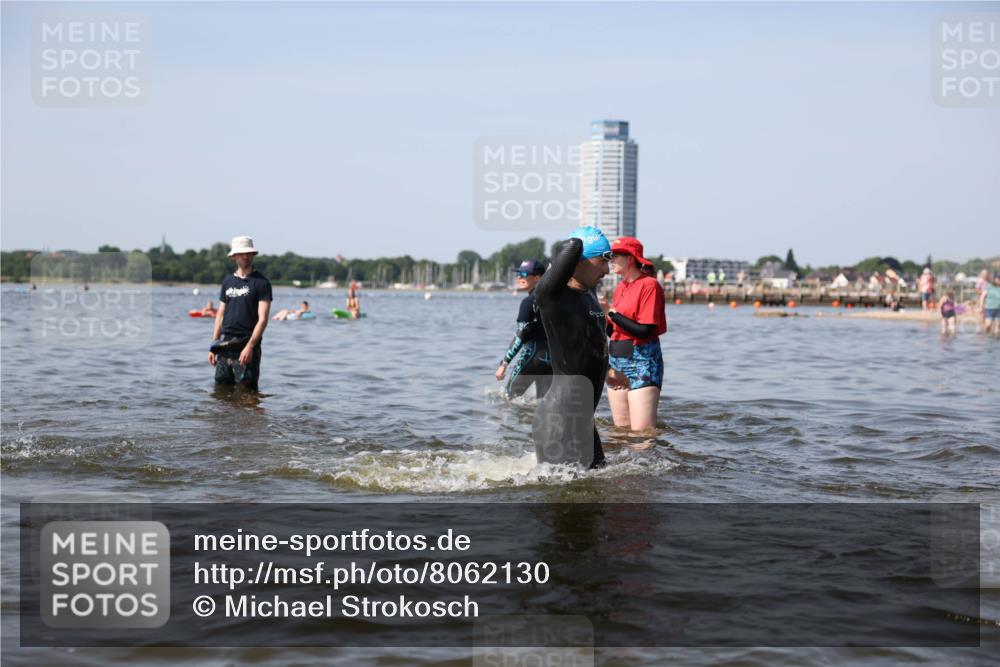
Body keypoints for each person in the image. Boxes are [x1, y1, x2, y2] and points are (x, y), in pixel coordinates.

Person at [532, 226, 628, 469]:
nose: (607, 270)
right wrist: (584, 241)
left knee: (598, 488)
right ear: (579, 262)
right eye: (602, 261)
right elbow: (571, 245)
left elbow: (588, 343)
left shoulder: (589, 294)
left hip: (583, 419)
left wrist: (607, 371)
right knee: (563, 497)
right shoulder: (553, 296)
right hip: (559, 420)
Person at [604, 237, 667, 431]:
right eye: (609, 256)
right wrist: (602, 317)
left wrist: (612, 313)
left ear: (630, 258)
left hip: (643, 361)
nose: (610, 260)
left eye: (615, 255)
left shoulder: (649, 285)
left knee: (641, 434)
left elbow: (645, 329)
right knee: (620, 432)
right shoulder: (620, 287)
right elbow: (613, 331)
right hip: (617, 361)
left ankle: (649, 462)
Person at [209, 236, 272, 390]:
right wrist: (214, 345)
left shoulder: (262, 283)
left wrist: (250, 347)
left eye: (248, 253)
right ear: (234, 256)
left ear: (253, 255)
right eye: (242, 253)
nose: (246, 256)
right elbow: (220, 315)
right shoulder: (227, 282)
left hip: (247, 345)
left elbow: (263, 319)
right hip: (225, 346)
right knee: (221, 395)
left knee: (247, 396)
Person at [496, 260, 552, 399]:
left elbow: (521, 334)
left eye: (523, 274)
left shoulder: (528, 302)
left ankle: (505, 422)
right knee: (542, 403)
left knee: (508, 398)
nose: (519, 277)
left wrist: (504, 363)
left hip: (532, 357)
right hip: (551, 359)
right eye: (518, 274)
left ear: (537, 278)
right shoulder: (553, 300)